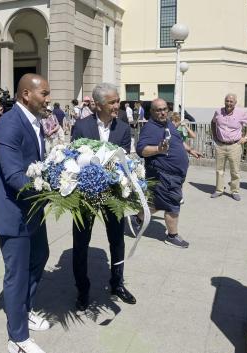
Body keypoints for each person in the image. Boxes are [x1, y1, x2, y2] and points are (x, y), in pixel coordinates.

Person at [0, 73, 52, 353]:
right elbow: (14, 176)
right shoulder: (8, 125)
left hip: (33, 208)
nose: (48, 99)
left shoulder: (35, 121)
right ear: (26, 94)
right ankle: (18, 338)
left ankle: (24, 309)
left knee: (40, 256)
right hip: (14, 212)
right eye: (44, 94)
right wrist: (54, 192)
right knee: (17, 273)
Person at [70, 82, 136, 311]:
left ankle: (117, 284)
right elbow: (74, 159)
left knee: (117, 241)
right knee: (80, 243)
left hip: (112, 195)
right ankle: (82, 289)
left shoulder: (124, 128)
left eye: (118, 101)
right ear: (98, 105)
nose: (118, 105)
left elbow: (125, 161)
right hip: (85, 195)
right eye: (113, 102)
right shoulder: (80, 127)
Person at [130, 98, 203, 248]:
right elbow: (141, 150)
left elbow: (177, 139)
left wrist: (189, 150)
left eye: (165, 109)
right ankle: (172, 236)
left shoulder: (168, 123)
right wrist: (158, 149)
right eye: (158, 110)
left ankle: (136, 219)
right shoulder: (150, 128)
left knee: (158, 202)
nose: (163, 112)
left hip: (174, 175)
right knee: (172, 205)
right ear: (152, 112)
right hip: (164, 175)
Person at [210, 94, 247, 201]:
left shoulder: (241, 113)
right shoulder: (218, 112)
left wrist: (246, 137)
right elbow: (213, 122)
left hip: (234, 145)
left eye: (231, 101)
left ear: (235, 102)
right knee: (219, 170)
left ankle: (235, 191)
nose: (229, 103)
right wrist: (215, 136)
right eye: (227, 101)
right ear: (224, 101)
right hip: (220, 145)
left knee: (235, 171)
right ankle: (219, 190)